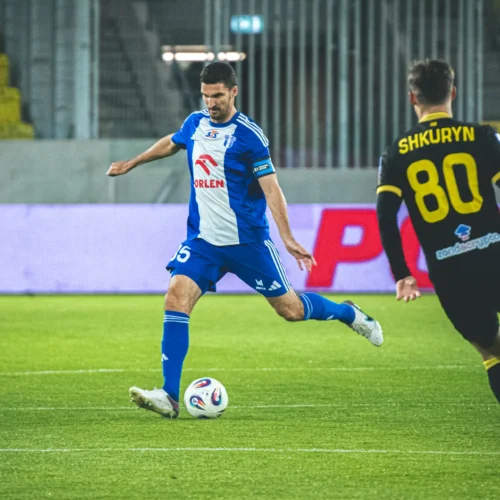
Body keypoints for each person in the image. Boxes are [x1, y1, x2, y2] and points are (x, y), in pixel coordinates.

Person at [107, 61, 383, 418]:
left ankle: (349, 313)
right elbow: (172, 143)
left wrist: (287, 237)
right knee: (176, 297)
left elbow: (272, 189)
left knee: (291, 310)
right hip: (204, 242)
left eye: (218, 96)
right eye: (206, 96)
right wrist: (133, 162)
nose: (211, 103)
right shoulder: (195, 123)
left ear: (233, 92)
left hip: (248, 243)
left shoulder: (249, 136)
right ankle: (169, 396)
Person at [376, 59, 500, 403]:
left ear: (412, 98)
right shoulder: (481, 136)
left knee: (490, 349)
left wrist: (402, 273)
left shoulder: (396, 153)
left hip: (450, 271)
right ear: (453, 92)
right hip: (495, 256)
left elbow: (385, 216)